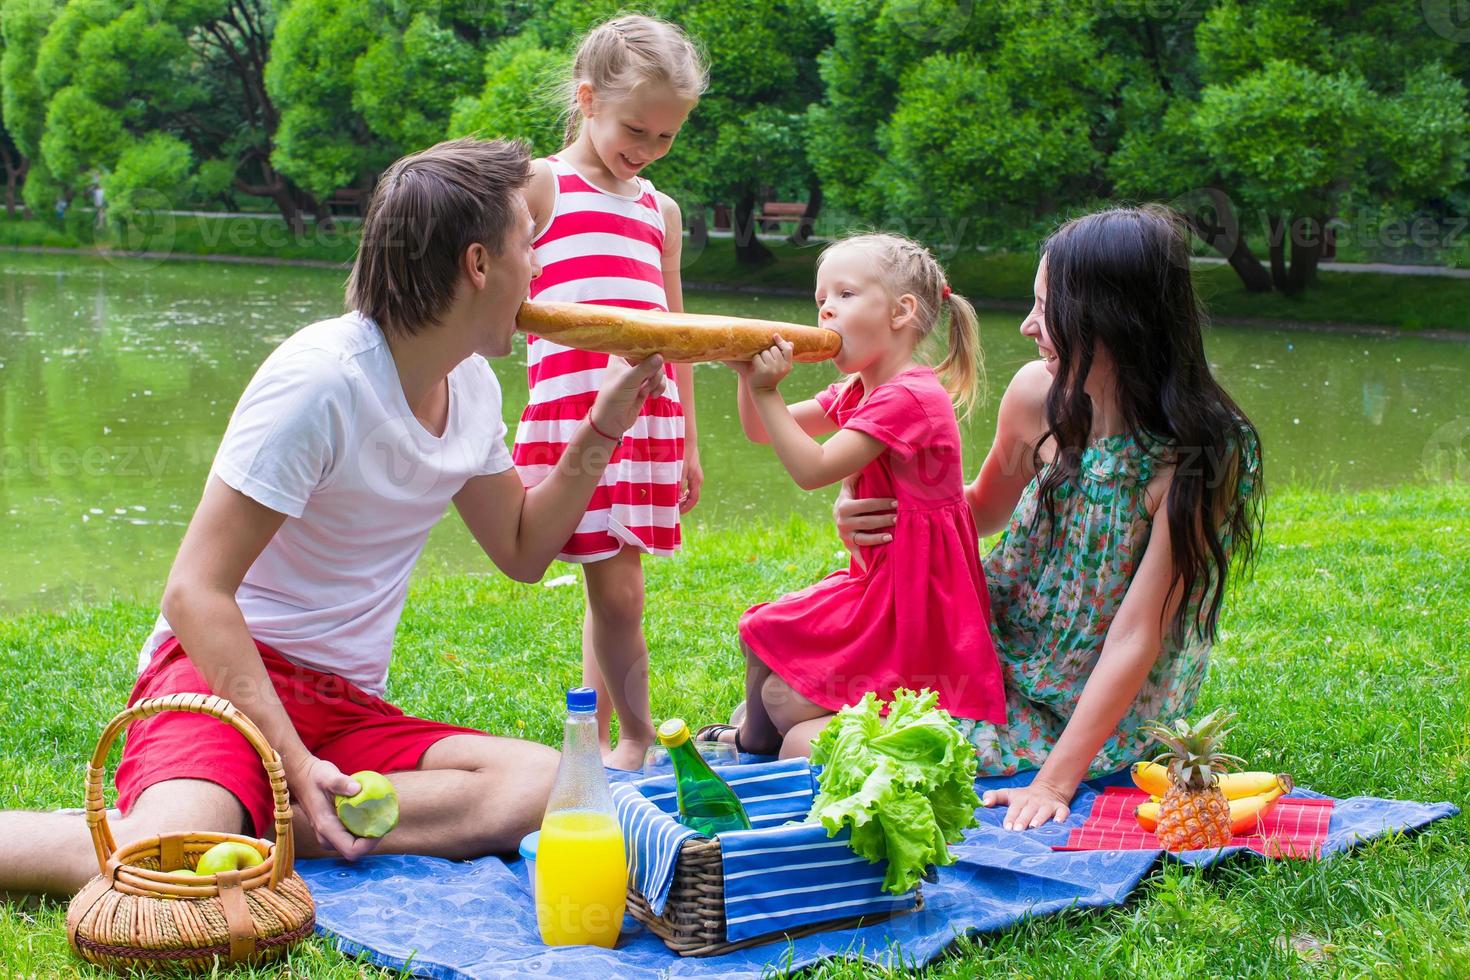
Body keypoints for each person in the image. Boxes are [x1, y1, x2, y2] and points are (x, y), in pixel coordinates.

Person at [0, 137, 669, 898]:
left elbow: (521, 548)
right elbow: (194, 593)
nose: (541, 269)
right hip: (224, 678)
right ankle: (223, 824)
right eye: (530, 246)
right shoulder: (320, 380)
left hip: (340, 705)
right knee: (166, 853)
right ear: (479, 265)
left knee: (539, 783)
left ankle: (253, 827)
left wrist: (605, 422)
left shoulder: (473, 387)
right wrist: (293, 759)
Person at [834, 206, 1263, 829]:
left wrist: (1053, 786)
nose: (1029, 325)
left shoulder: (1202, 452)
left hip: (1090, 700)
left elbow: (1137, 634)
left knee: (856, 741)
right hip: (988, 646)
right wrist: (872, 512)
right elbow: (976, 511)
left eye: (1048, 308)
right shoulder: (1038, 393)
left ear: (1114, 320)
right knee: (798, 690)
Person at [702, 233, 1006, 759]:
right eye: (820, 300)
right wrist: (748, 377)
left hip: (915, 602)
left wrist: (767, 391)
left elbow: (812, 469)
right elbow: (759, 432)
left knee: (783, 698)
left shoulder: (910, 395)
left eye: (844, 295)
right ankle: (755, 736)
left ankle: (760, 737)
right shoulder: (858, 387)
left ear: (900, 312)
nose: (825, 311)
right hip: (878, 580)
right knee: (763, 630)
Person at [512, 14, 709, 770]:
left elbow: (678, 330)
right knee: (619, 593)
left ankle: (597, 743)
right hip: (576, 414)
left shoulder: (659, 211)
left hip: (649, 422)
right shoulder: (539, 185)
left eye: (666, 137)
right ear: (587, 99)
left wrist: (689, 439)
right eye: (637, 128)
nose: (648, 150)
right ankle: (636, 740)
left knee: (612, 585)